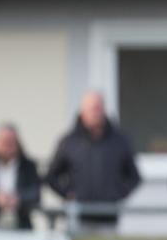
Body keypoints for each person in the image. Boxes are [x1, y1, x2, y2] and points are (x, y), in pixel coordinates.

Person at [45, 92, 141, 229]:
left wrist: (118, 194)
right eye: (92, 109)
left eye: (98, 108)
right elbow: (51, 176)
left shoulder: (119, 141)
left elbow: (134, 177)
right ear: (83, 112)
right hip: (78, 217)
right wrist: (68, 194)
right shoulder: (69, 142)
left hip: (109, 218)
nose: (96, 113)